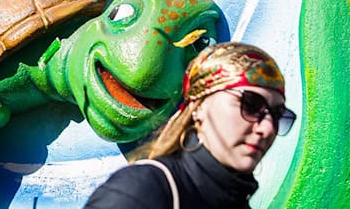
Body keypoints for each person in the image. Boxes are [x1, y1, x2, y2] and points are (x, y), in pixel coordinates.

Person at [84, 42, 296, 209]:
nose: (267, 129)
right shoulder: (144, 190)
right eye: (250, 104)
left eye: (277, 115)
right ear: (199, 106)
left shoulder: (233, 200)